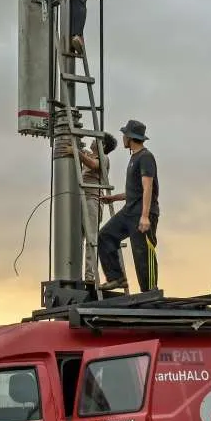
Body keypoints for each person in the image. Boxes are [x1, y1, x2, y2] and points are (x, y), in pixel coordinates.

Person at [97, 120, 159, 292]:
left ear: (130, 137)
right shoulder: (134, 157)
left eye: (124, 134)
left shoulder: (146, 157)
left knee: (142, 253)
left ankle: (150, 291)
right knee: (105, 235)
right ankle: (116, 278)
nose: (123, 137)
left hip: (142, 213)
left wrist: (145, 216)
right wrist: (114, 198)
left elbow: (148, 187)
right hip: (129, 211)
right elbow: (135, 190)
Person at [62, 133, 117, 283]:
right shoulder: (90, 156)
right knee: (78, 238)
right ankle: (75, 274)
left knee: (91, 238)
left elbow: (94, 165)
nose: (92, 140)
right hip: (82, 199)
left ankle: (90, 276)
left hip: (93, 201)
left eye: (96, 139)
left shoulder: (104, 159)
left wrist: (77, 152)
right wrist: (81, 154)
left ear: (103, 146)